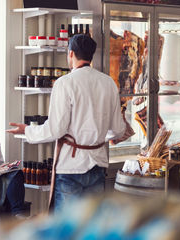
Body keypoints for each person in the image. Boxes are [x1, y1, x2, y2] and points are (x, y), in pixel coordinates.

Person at [7, 34, 132, 212]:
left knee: (66, 228)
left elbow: (56, 130)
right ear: (91, 55)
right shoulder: (108, 83)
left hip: (71, 167)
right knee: (91, 226)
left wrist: (27, 130)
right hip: (98, 164)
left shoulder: (65, 83)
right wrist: (99, 136)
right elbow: (119, 129)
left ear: (71, 53)